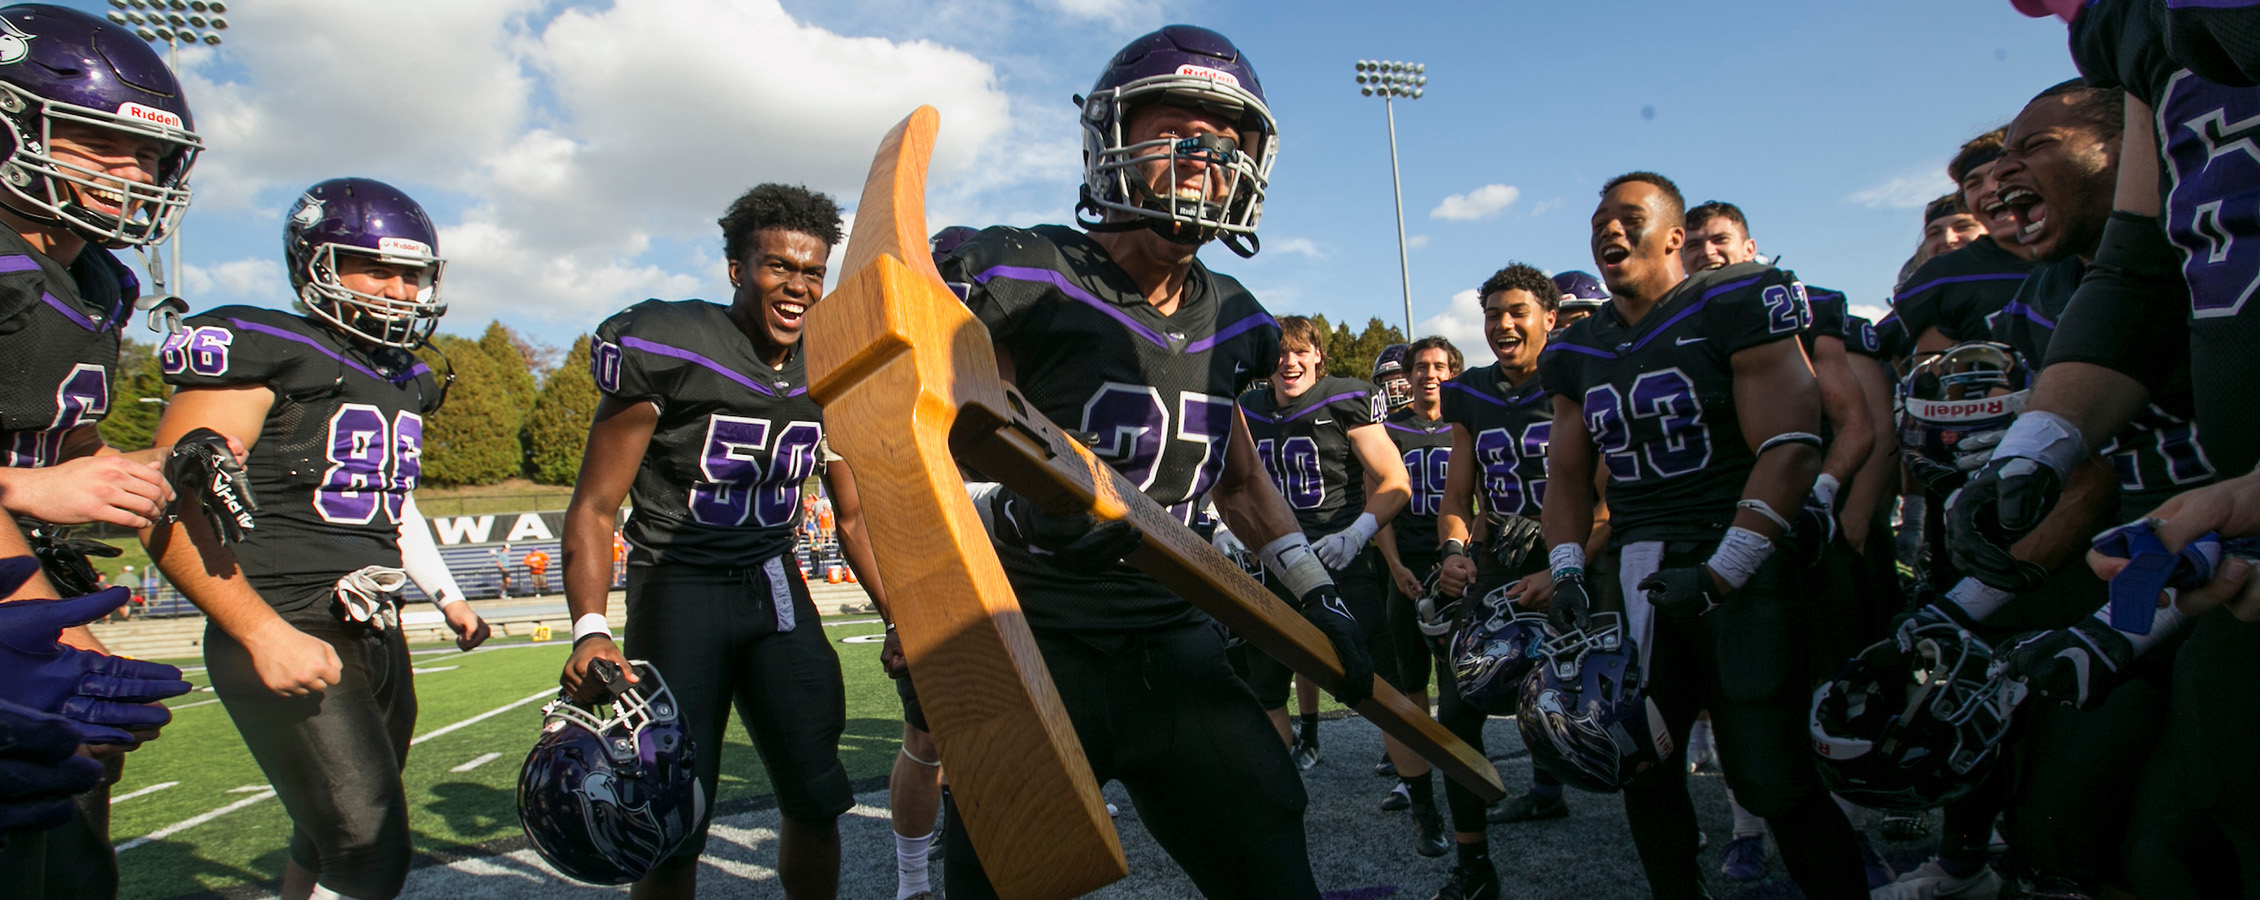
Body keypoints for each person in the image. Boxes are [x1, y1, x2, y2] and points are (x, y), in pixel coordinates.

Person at [933, 24, 1377, 899]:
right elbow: (943, 436)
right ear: (1112, 138)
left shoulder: (1240, 319)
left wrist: (1316, 594)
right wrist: (1016, 506)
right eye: (1176, 132)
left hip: (1167, 628)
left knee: (1270, 852)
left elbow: (1240, 477)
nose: (1204, 158)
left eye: (1224, 144)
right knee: (1000, 875)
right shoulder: (1036, 271)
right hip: (1036, 632)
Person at [142, 177, 490, 900]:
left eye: (413, 272)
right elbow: (166, 503)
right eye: (377, 268)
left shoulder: (407, 378)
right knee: (367, 850)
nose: (398, 289)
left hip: (369, 620)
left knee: (327, 832)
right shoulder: (268, 347)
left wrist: (449, 597)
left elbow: (391, 506)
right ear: (316, 266)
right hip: (283, 610)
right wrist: (259, 632)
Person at [1538, 171, 1867, 900]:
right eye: (1599, 223)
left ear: (1676, 236)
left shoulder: (1735, 299)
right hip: (1636, 565)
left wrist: (1724, 571)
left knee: (1769, 772)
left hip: (1737, 554)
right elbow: (1565, 477)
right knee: (1641, 761)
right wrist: (1565, 569)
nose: (1609, 232)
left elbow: (1790, 441)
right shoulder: (1578, 347)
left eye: (1630, 218)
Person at [558, 183, 887, 900]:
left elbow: (854, 516)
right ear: (737, 269)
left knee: (817, 797)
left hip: (774, 583)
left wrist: (899, 617)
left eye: (811, 272)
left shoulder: (831, 359)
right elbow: (595, 504)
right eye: (778, 267)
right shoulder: (671, 343)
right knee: (671, 822)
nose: (797, 287)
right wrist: (588, 629)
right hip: (679, 587)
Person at [0, 7, 209, 895]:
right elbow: (34, 476)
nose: (136, 174)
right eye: (98, 141)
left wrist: (148, 468)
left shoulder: (95, 278)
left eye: (152, 155)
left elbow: (63, 435)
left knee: (71, 850)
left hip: (30, 583)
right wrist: (23, 490)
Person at [1672, 199, 1886, 887]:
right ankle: (1745, 831)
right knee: (1739, 694)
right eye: (1696, 243)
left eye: (1721, 241)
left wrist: (1825, 502)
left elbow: (1854, 422)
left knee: (1831, 683)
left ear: (1752, 245)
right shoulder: (1676, 322)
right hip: (1725, 528)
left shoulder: (1799, 302)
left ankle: (1852, 833)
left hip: (1803, 528)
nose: (1708, 253)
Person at [1425, 264, 1590, 899]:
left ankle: (1674, 853)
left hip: (1579, 559)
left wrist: (1564, 564)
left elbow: (1606, 502)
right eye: (1493, 313)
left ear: (1550, 316)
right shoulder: (1470, 393)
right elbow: (1457, 496)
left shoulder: (1577, 375)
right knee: (1459, 709)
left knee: (1609, 704)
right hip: (1501, 566)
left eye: (1517, 310)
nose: (1503, 324)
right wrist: (1454, 550)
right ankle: (1472, 866)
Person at [1236, 315, 1419, 847]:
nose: (1289, 362)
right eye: (1280, 353)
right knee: (1265, 685)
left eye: (1300, 351)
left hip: (1336, 557)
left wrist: (1358, 533)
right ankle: (1278, 804)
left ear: (1318, 356)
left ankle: (1422, 797)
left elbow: (1395, 481)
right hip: (1272, 560)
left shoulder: (1345, 398)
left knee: (1378, 678)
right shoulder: (1247, 409)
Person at [1880, 130, 2036, 360]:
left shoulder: (2085, 249)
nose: (1989, 189)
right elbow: (1938, 384)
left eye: (1999, 174)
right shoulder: (1942, 277)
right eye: (1974, 184)